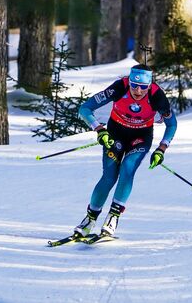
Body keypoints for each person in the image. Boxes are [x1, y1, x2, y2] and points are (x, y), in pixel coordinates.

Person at [74, 64, 177, 237]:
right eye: (134, 85)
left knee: (128, 169)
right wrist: (99, 129)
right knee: (109, 177)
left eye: (143, 87)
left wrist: (161, 148)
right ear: (128, 81)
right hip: (115, 134)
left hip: (141, 138)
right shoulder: (119, 87)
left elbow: (172, 124)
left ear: (149, 85)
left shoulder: (157, 96)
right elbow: (85, 109)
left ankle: (113, 216)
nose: (137, 91)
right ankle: (90, 219)